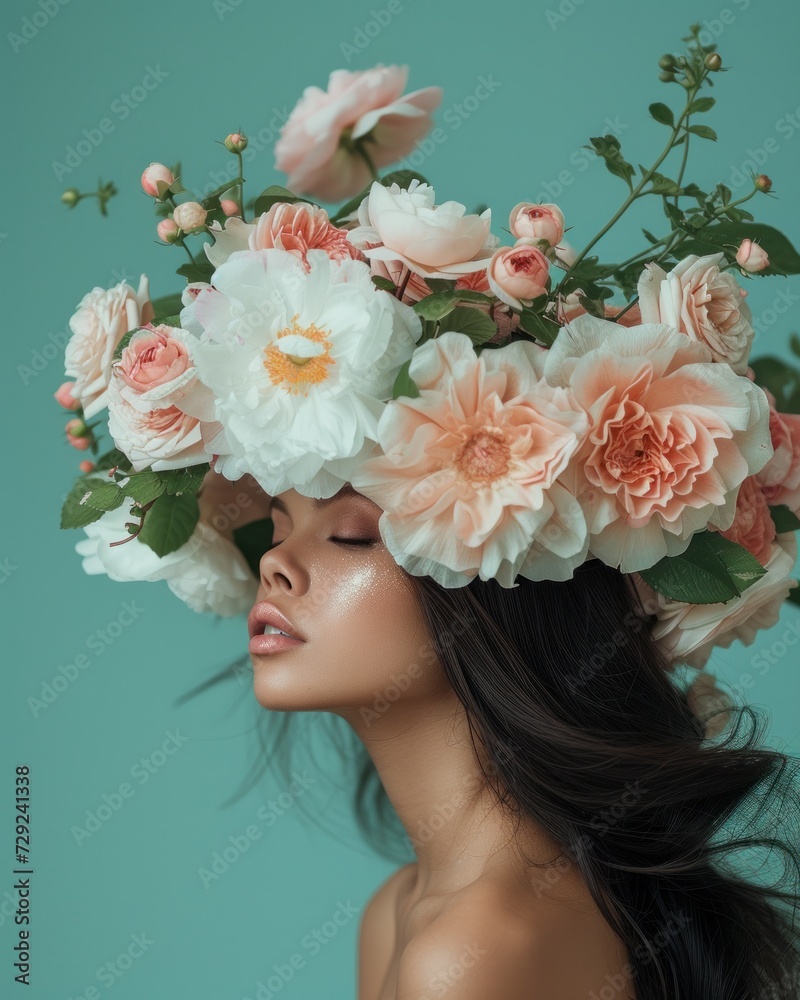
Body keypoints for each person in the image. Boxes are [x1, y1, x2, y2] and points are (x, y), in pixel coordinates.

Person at [231, 480, 800, 1000]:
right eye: (280, 529)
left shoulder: (474, 950)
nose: (275, 561)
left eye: (349, 537)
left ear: (506, 590)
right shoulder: (400, 910)